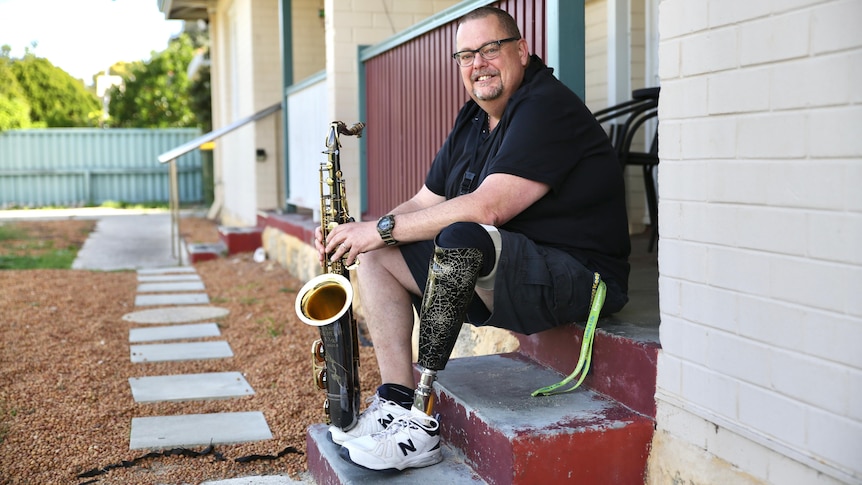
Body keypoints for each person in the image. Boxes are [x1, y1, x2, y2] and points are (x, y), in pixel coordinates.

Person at [313, 6, 630, 472]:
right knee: (380, 258)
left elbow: (489, 208)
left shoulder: (547, 106)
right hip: (514, 271)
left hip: (579, 277)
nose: (477, 63)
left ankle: (420, 427)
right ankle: (398, 403)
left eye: (489, 49)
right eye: (466, 55)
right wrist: (361, 235)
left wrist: (380, 230)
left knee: (463, 234)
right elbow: (423, 203)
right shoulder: (473, 118)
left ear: (521, 51)